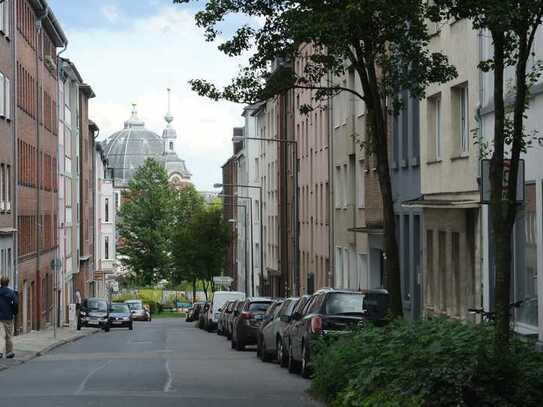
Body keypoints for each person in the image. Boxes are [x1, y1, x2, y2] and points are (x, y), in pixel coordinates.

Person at [0, 276, 18, 359]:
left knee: (0, 335)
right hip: (8, 317)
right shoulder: (11, 293)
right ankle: (9, 352)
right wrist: (14, 312)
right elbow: (15, 303)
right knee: (8, 335)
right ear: (8, 283)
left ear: (1, 283)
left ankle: (0, 352)